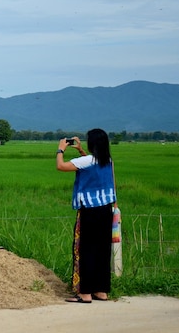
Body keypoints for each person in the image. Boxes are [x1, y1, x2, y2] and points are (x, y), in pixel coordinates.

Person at [56, 128, 116, 303]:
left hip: (89, 211)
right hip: (106, 211)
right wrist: (81, 151)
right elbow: (91, 164)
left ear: (92, 144)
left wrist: (60, 149)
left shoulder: (86, 161)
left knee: (85, 250)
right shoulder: (108, 161)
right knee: (102, 250)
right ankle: (101, 290)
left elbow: (61, 166)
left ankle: (85, 293)